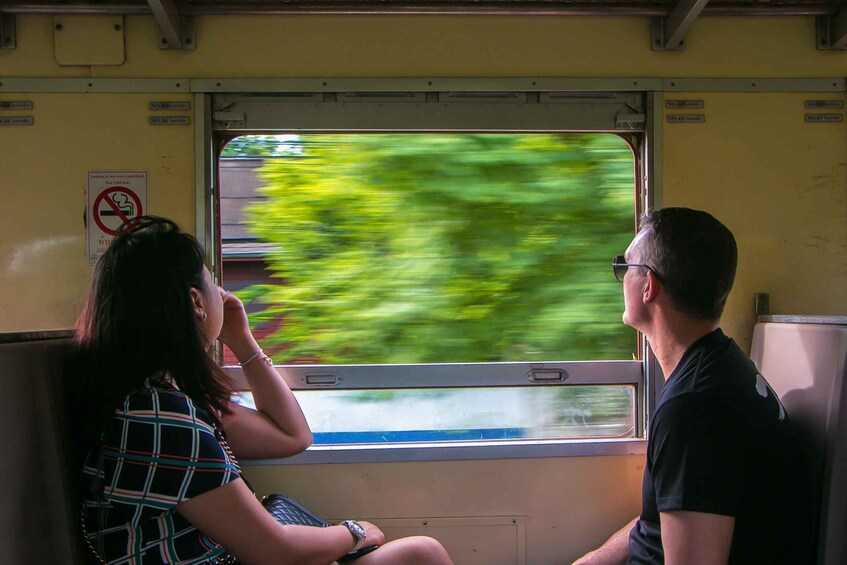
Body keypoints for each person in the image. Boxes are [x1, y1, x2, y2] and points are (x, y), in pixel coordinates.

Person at [70, 216, 453, 565]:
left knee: (419, 553)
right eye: (211, 281)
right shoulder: (161, 418)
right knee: (422, 555)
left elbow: (292, 436)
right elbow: (274, 550)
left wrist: (242, 340)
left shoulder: (159, 397)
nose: (222, 292)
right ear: (195, 301)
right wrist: (354, 532)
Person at [572, 208, 814, 565]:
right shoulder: (723, 364)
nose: (620, 277)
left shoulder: (694, 408)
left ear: (649, 286)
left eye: (625, 267)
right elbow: (661, 520)